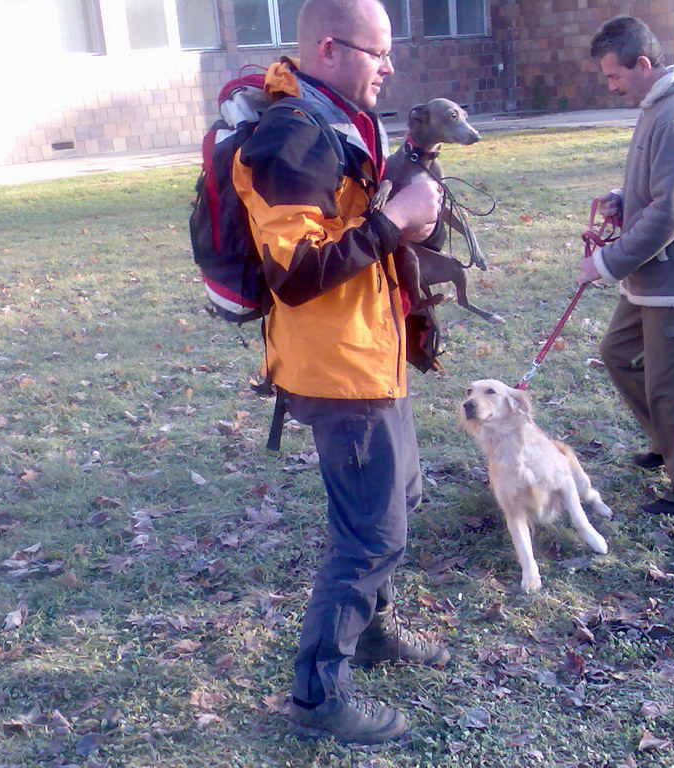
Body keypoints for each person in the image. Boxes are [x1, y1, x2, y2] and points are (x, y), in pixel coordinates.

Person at [232, 0, 449, 746]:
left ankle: (377, 632)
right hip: (340, 373)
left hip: (370, 355)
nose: (389, 66)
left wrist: (410, 189)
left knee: (399, 497)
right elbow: (294, 273)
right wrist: (396, 220)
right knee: (370, 537)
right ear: (329, 47)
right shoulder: (290, 135)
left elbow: (347, 220)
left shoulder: (335, 119)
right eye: (377, 52)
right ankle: (316, 697)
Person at [580, 16, 674, 516]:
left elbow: (672, 210)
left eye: (614, 75)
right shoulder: (658, 107)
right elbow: (661, 187)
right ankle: (671, 443)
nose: (612, 85)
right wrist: (625, 197)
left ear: (642, 63)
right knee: (619, 353)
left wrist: (604, 262)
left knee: (673, 382)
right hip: (652, 275)